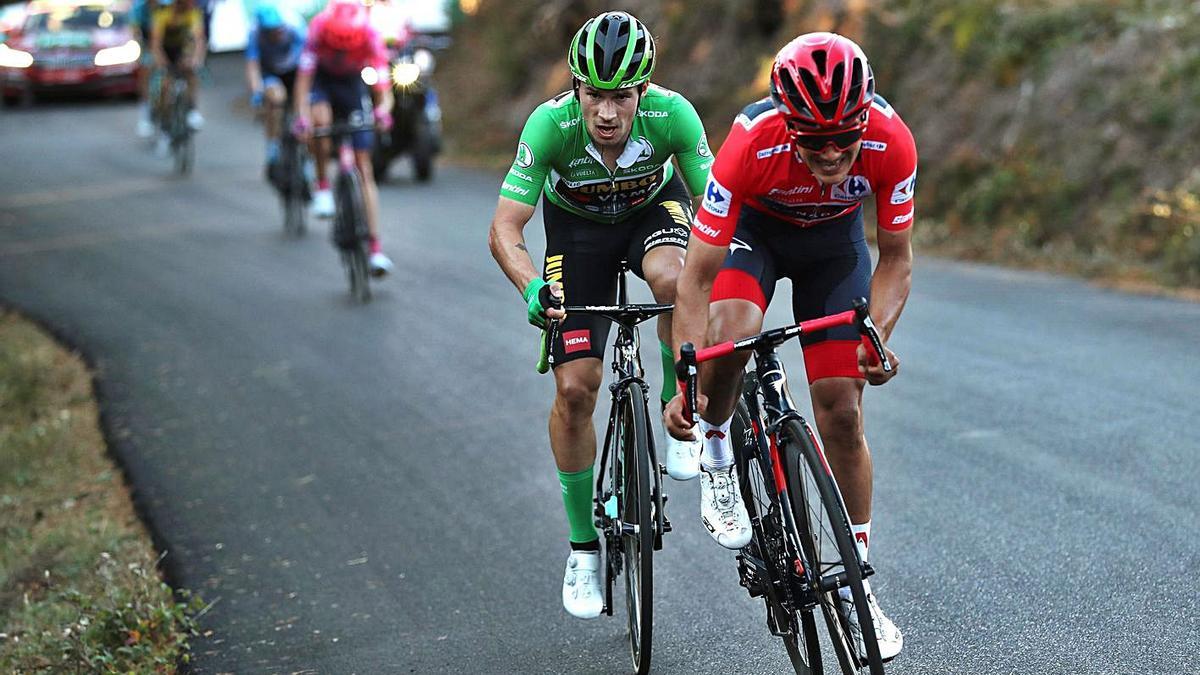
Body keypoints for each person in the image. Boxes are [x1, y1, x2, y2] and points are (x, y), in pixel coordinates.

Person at [663, 32, 914, 660]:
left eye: (844, 140)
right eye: (814, 141)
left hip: (833, 248)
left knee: (841, 408)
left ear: (865, 122)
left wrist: (875, 337)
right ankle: (720, 454)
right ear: (788, 127)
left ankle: (857, 587)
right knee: (735, 331)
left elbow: (896, 259)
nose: (832, 154)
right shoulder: (750, 143)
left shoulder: (892, 141)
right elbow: (695, 277)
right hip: (755, 236)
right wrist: (685, 377)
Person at [487, 11, 713, 619]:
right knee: (577, 388)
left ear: (643, 92)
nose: (607, 113)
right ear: (576, 90)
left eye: (621, 97)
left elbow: (715, 211)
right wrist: (533, 287)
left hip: (651, 213)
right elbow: (506, 228)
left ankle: (676, 406)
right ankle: (583, 546)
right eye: (594, 96)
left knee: (675, 278)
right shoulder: (549, 126)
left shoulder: (674, 117)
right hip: (577, 233)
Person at [293, 0, 394, 275]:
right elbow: (303, 83)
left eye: (347, 47)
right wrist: (302, 118)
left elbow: (384, 89)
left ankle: (375, 248)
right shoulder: (317, 30)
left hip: (352, 86)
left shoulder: (371, 36)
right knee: (320, 120)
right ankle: (322, 185)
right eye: (336, 46)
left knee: (364, 168)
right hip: (323, 83)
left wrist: (383, 112)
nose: (341, 51)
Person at [245, 0, 305, 176]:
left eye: (278, 30)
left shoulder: (296, 27)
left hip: (295, 70)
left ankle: (306, 156)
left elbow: (308, 64)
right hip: (270, 71)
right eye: (271, 32)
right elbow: (252, 67)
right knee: (275, 99)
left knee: (302, 104)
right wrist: (256, 92)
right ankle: (273, 146)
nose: (276, 34)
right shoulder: (255, 33)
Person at [149, 0, 205, 140]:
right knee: (165, 85)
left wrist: (195, 59)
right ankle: (164, 123)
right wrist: (162, 63)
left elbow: (198, 40)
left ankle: (192, 109)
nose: (185, 6)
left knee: (191, 73)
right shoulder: (162, 14)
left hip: (181, 49)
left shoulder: (193, 14)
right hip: (165, 50)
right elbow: (156, 44)